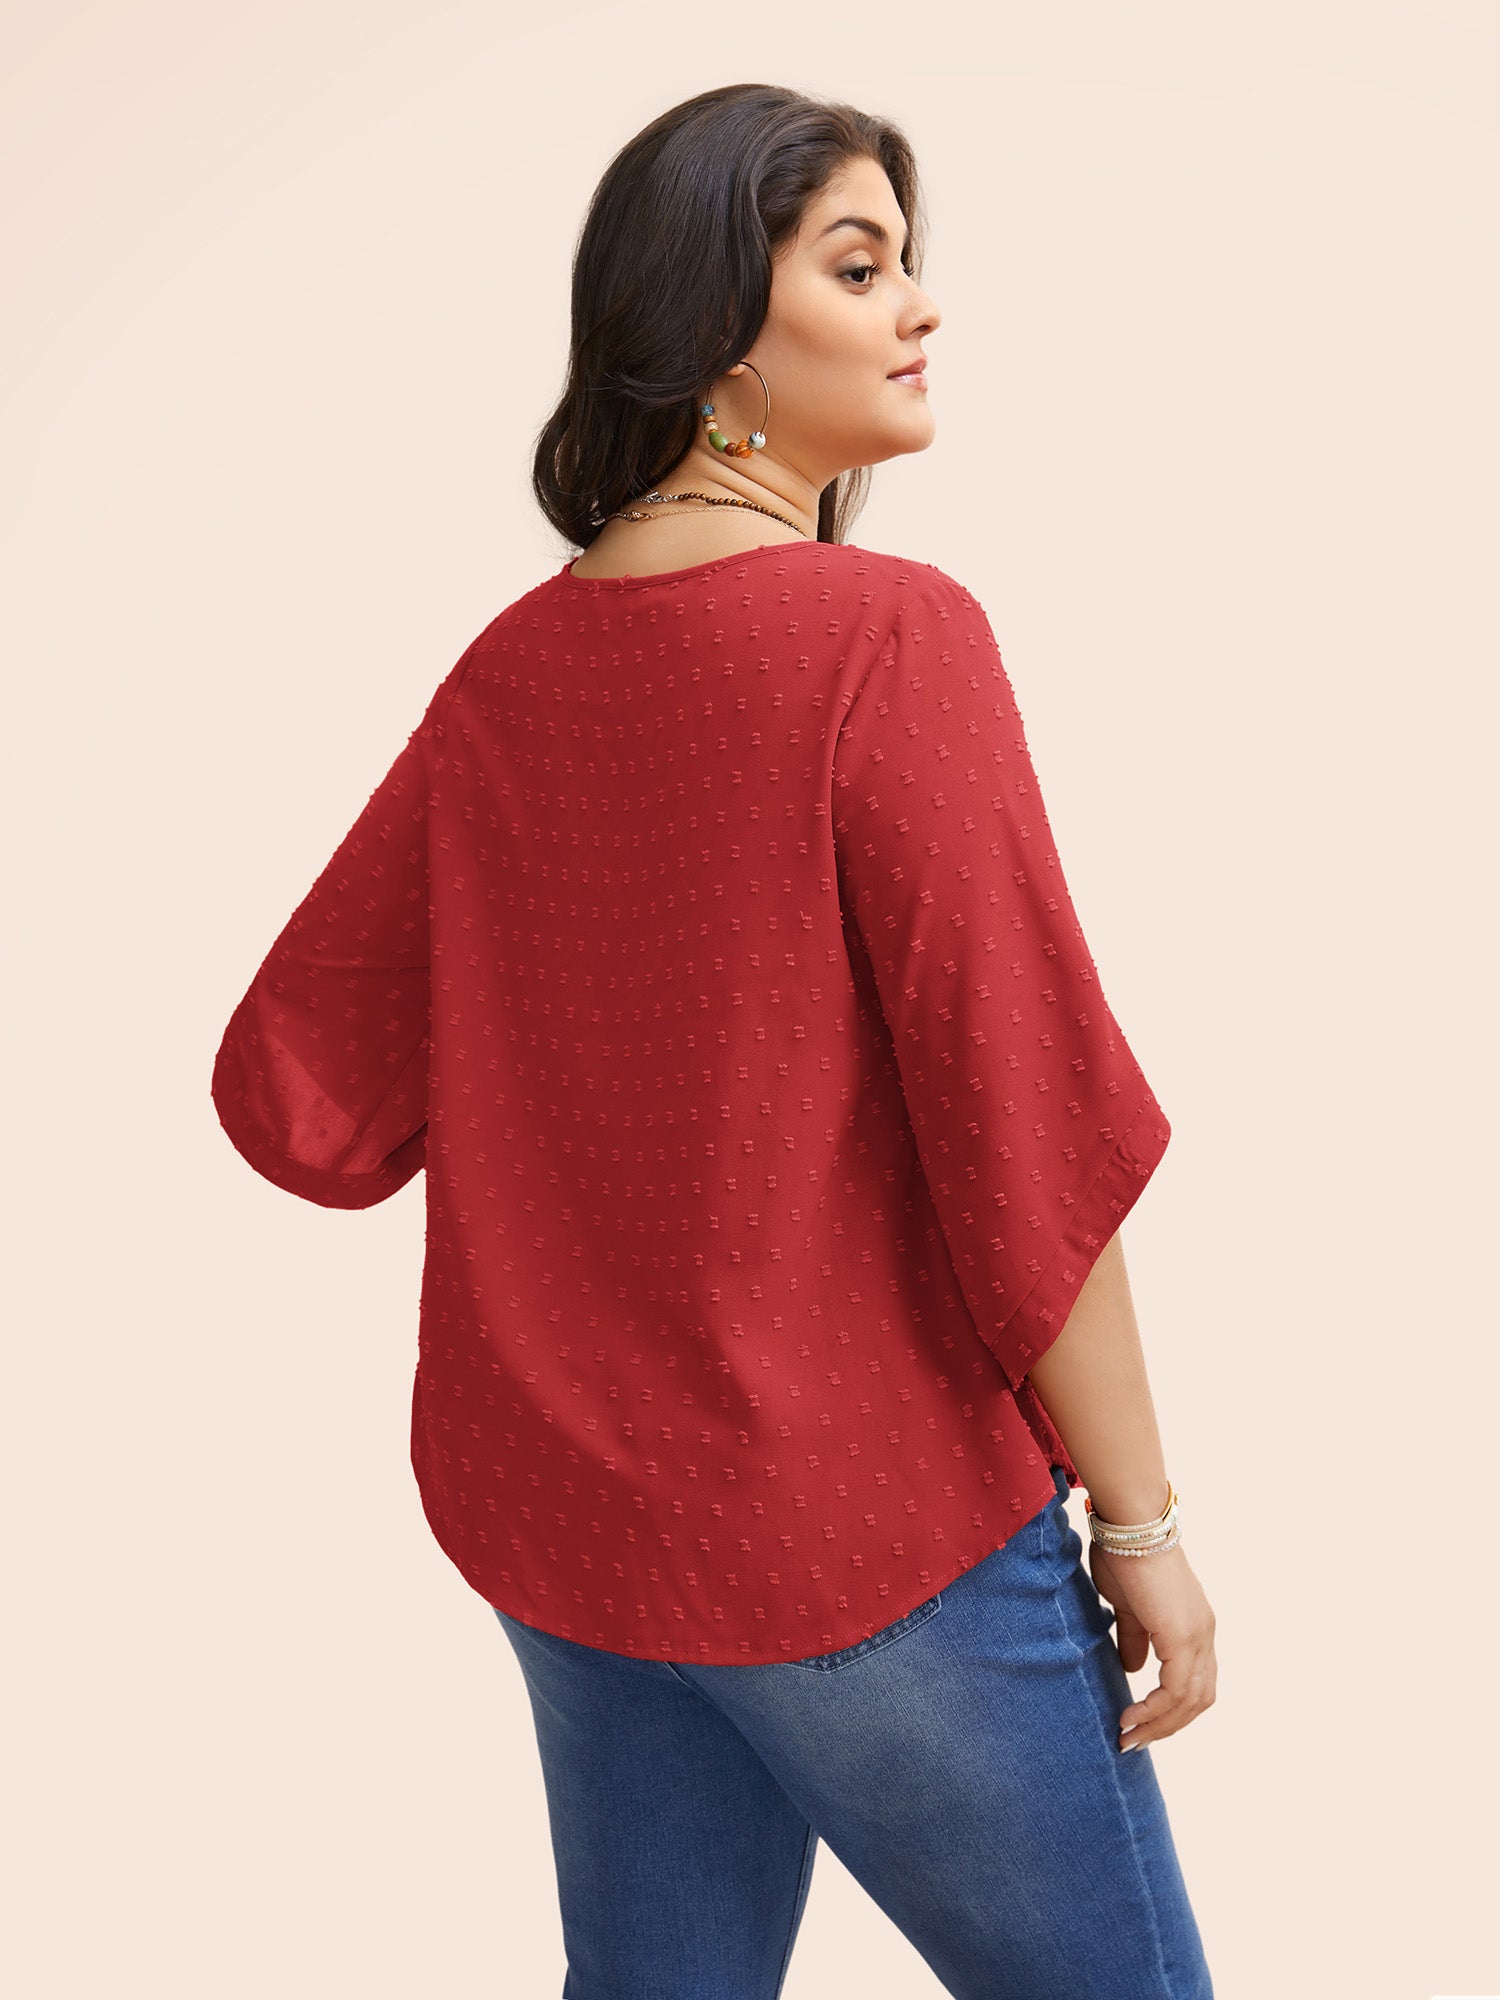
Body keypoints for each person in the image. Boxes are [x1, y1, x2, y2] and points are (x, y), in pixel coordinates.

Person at [211, 82, 1217, 2000]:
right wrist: (1146, 1523)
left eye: (910, 262)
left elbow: (299, 1102)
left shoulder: (509, 673)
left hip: (574, 1535)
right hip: (866, 1537)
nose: (918, 304)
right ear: (713, 323)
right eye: (859, 264)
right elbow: (1026, 1127)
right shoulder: (883, 638)